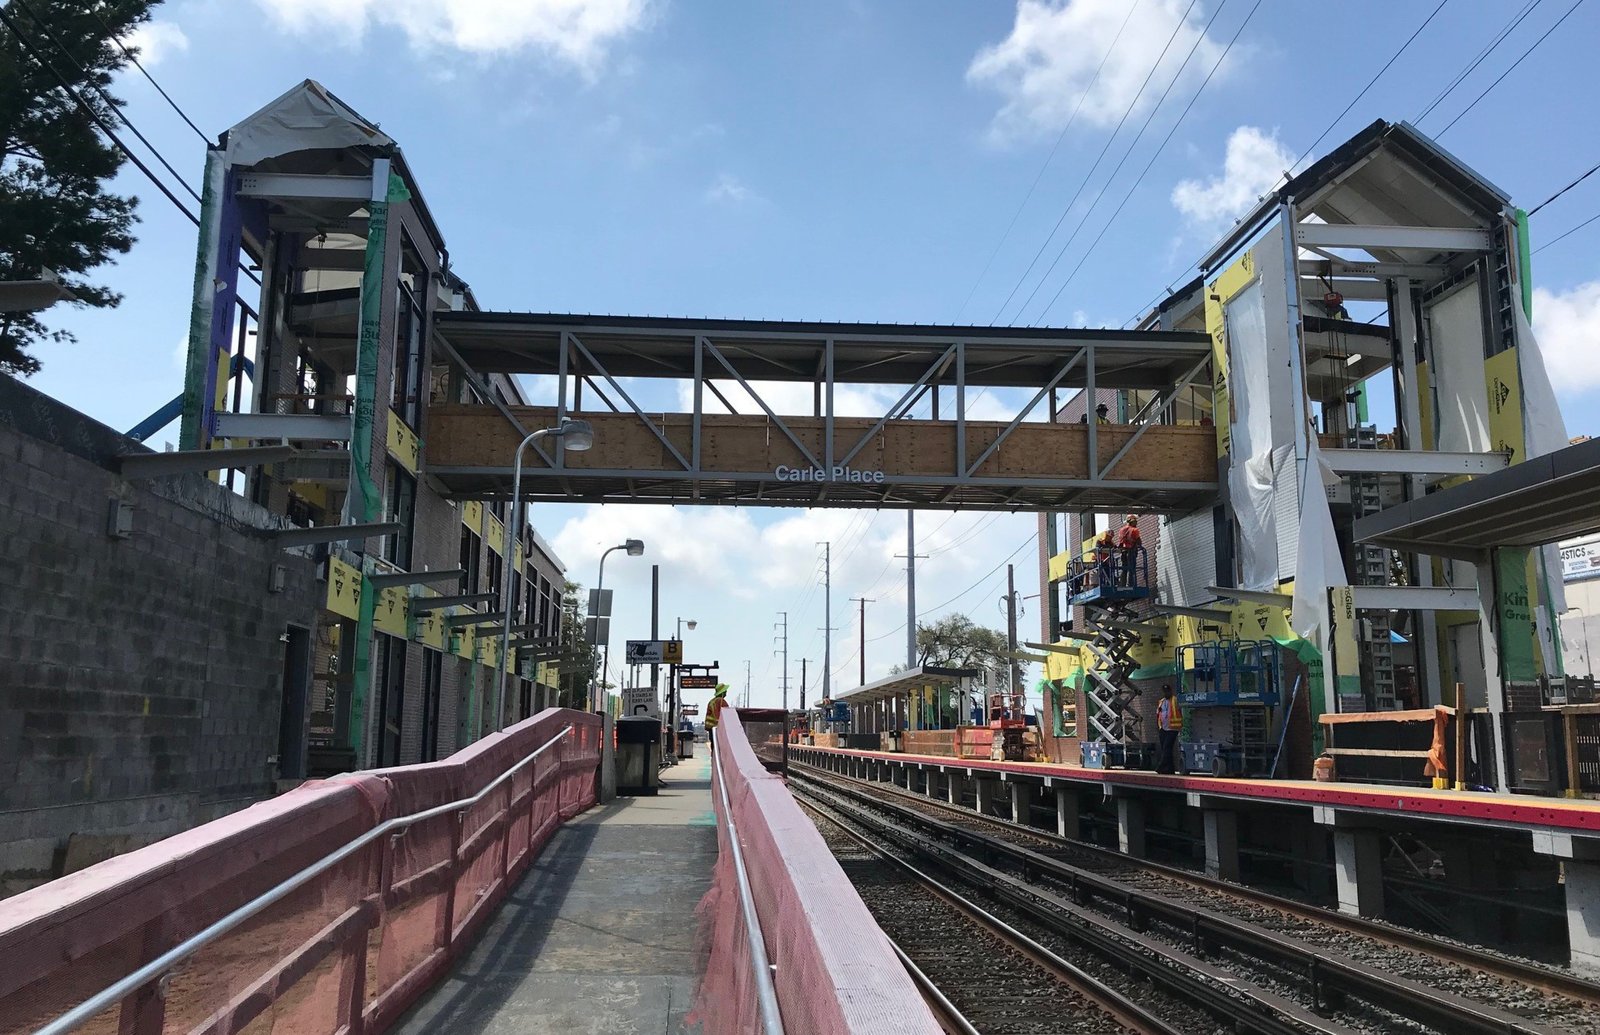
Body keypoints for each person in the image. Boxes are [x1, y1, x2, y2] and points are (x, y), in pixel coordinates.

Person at [1155, 684, 1183, 775]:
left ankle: (1160, 766)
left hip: (1173, 728)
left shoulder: (1175, 700)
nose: (1166, 693)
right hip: (1163, 728)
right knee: (1166, 749)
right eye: (1164, 691)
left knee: (1167, 747)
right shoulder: (1161, 702)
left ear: (1171, 691)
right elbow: (1159, 714)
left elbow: (1180, 711)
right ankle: (1170, 769)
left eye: (1167, 691)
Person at [1116, 514, 1141, 586]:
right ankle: (1131, 584)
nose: (1136, 523)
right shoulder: (1134, 530)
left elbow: (1120, 541)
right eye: (1135, 521)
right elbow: (1138, 541)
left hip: (1123, 552)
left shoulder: (1121, 530)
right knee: (1132, 569)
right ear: (1131, 521)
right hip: (1131, 551)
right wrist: (1139, 546)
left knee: (1124, 568)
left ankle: (1122, 584)